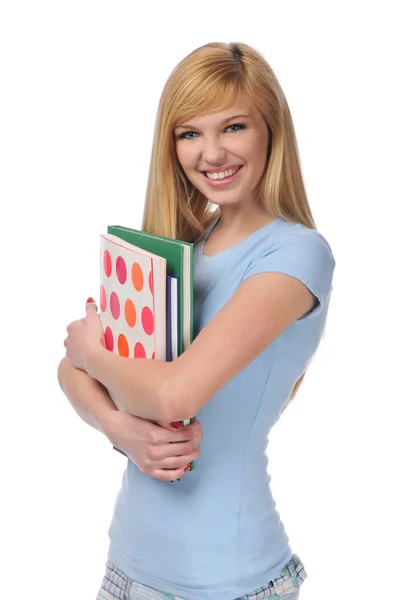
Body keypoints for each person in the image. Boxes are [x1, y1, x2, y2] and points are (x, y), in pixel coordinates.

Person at [58, 41, 335, 600]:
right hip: (128, 566)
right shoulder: (183, 247)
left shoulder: (296, 254)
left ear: (270, 132)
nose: (211, 153)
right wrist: (119, 430)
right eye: (189, 133)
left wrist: (92, 354)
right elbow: (71, 373)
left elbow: (170, 395)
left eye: (233, 127)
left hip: (225, 583)